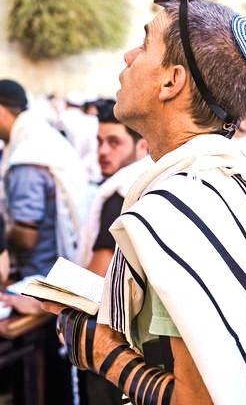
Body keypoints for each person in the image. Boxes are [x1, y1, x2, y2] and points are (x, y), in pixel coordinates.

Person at [43, 0, 246, 404]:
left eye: (145, 44)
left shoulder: (182, 213)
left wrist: (101, 352)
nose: (128, 55)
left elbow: (202, 399)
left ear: (172, 81)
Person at [0, 78, 90, 404]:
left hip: (39, 284)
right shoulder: (46, 140)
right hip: (60, 275)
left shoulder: (27, 157)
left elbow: (25, 236)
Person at [77, 100, 151, 405]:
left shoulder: (120, 192)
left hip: (114, 343)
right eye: (99, 141)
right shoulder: (149, 179)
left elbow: (95, 278)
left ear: (141, 146)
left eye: (114, 142)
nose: (103, 151)